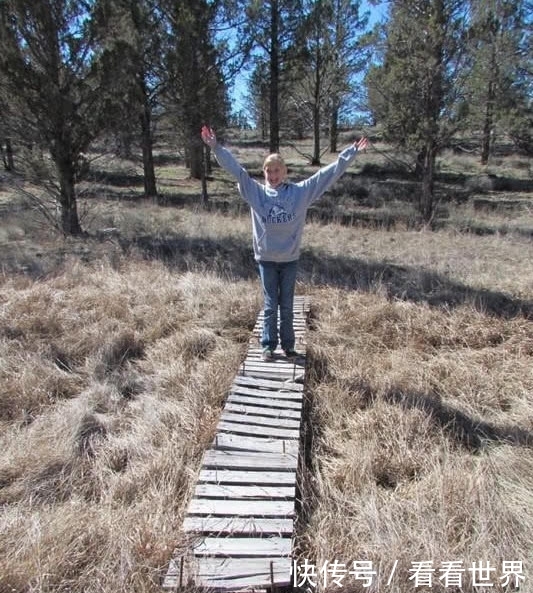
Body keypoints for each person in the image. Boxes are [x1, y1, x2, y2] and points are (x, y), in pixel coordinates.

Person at [201, 125, 368, 361]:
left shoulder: (300, 193)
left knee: (287, 305)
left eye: (277, 170)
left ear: (285, 172)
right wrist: (215, 147)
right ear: (264, 172)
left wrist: (350, 152)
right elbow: (236, 170)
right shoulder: (255, 192)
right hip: (266, 260)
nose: (273, 175)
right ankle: (268, 346)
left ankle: (288, 346)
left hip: (289, 259)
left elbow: (327, 175)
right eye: (269, 171)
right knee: (270, 305)